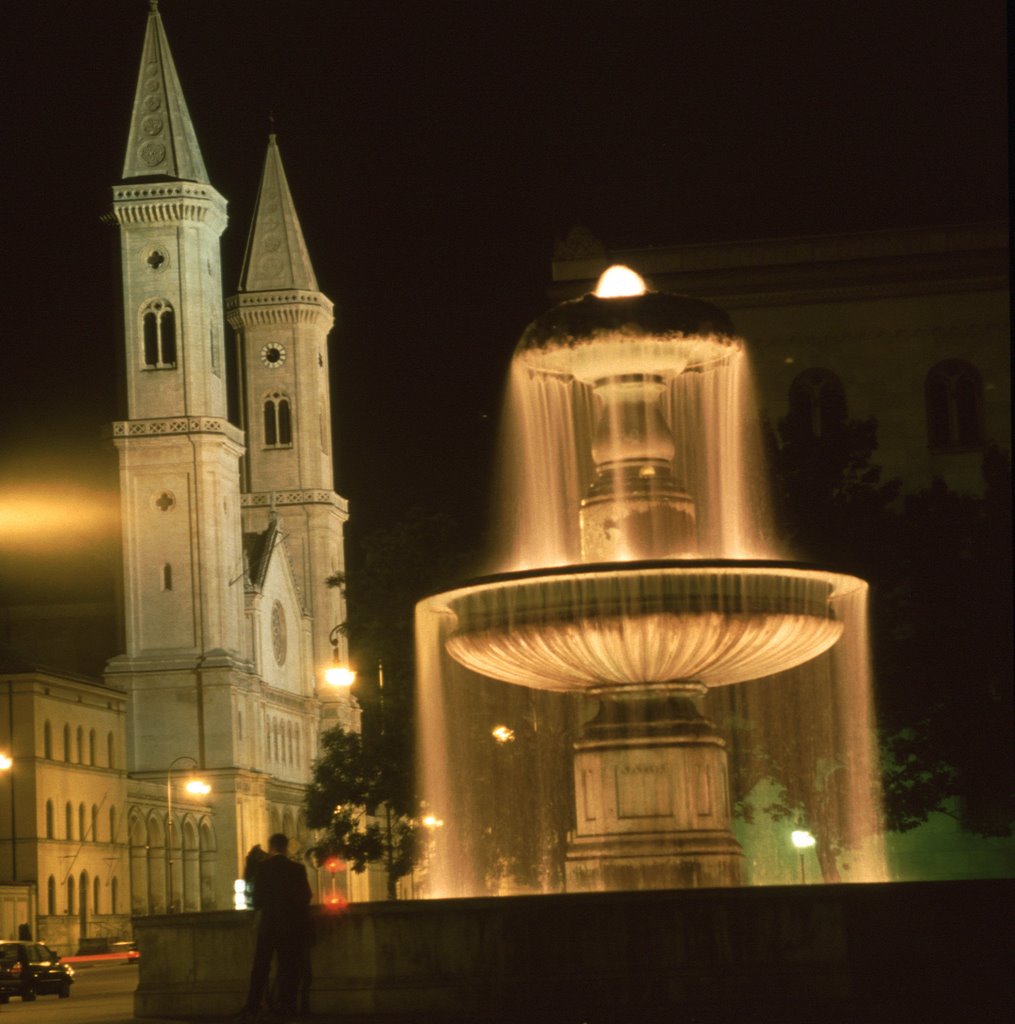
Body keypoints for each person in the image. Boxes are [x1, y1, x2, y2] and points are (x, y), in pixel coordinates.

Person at [238, 833, 312, 1022]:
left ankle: (253, 1005)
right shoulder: (297, 869)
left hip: (268, 925)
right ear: (286, 847)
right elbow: (305, 896)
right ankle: (288, 1005)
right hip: (290, 926)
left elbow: (256, 899)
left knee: (261, 966)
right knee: (289, 967)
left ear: (271, 847)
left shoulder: (263, 869)